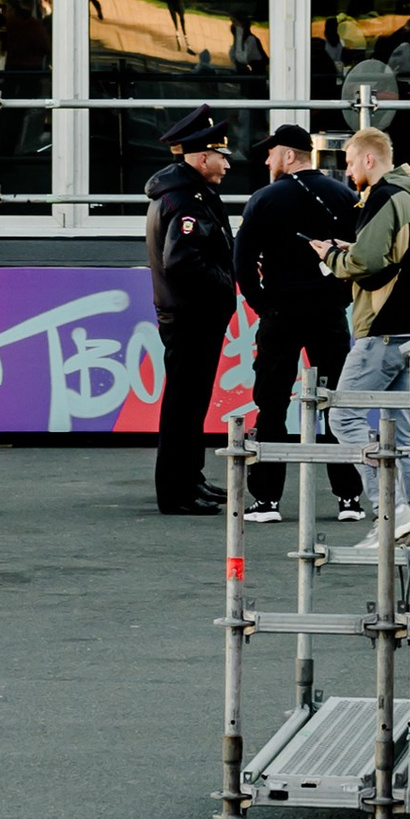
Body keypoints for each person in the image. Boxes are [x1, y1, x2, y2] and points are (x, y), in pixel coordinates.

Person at [233, 124, 362, 526]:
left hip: (281, 313)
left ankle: (267, 500)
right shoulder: (345, 196)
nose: (266, 161)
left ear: (288, 155)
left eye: (271, 153)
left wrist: (263, 304)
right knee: (336, 403)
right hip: (329, 313)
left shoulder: (265, 198)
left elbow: (241, 261)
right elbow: (360, 254)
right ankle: (349, 498)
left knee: (271, 404)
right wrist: (341, 297)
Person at [318, 122, 410, 539]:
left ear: (369, 159)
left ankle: (392, 509)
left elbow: (367, 263)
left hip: (382, 329)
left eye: (351, 163)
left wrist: (331, 256)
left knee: (343, 416)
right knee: (404, 433)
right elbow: (393, 258)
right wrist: (352, 251)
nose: (349, 172)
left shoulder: (383, 196)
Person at [144, 104, 238, 515]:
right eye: (221, 156)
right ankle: (176, 491)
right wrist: (224, 283)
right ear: (201, 158)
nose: (227, 165)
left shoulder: (189, 193)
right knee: (184, 404)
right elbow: (182, 261)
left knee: (192, 401)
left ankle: (189, 478)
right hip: (191, 316)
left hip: (190, 314)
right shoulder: (185, 199)